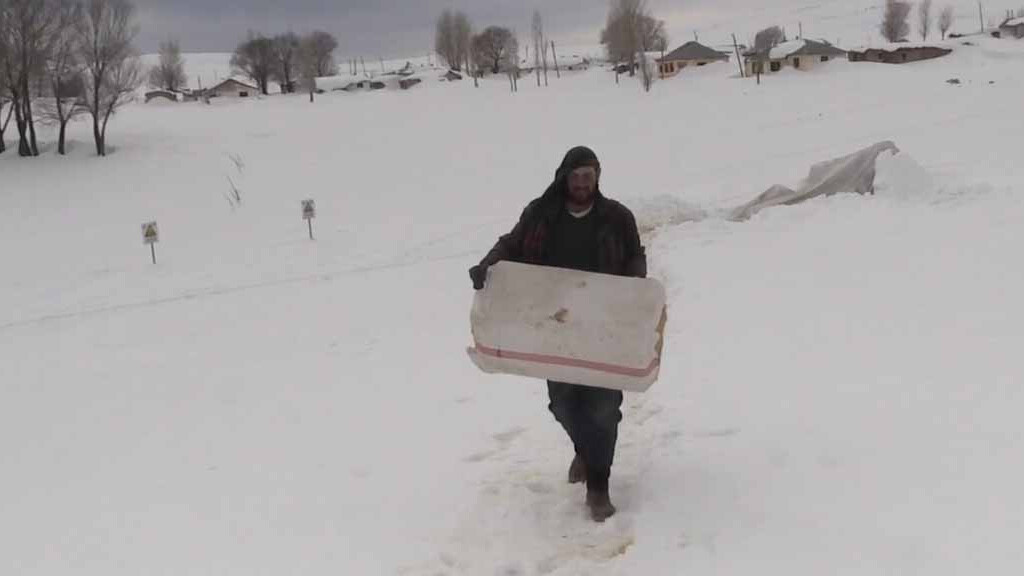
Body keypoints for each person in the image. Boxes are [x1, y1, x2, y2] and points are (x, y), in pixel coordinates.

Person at [469, 146, 647, 522]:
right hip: (554, 326)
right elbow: (511, 244)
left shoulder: (617, 217)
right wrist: (488, 264)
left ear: (598, 176)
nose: (583, 183)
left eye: (589, 175)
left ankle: (598, 487)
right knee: (564, 405)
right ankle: (585, 449)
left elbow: (635, 255)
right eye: (576, 175)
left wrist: (633, 291)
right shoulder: (540, 213)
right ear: (564, 176)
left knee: (603, 408)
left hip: (602, 328)